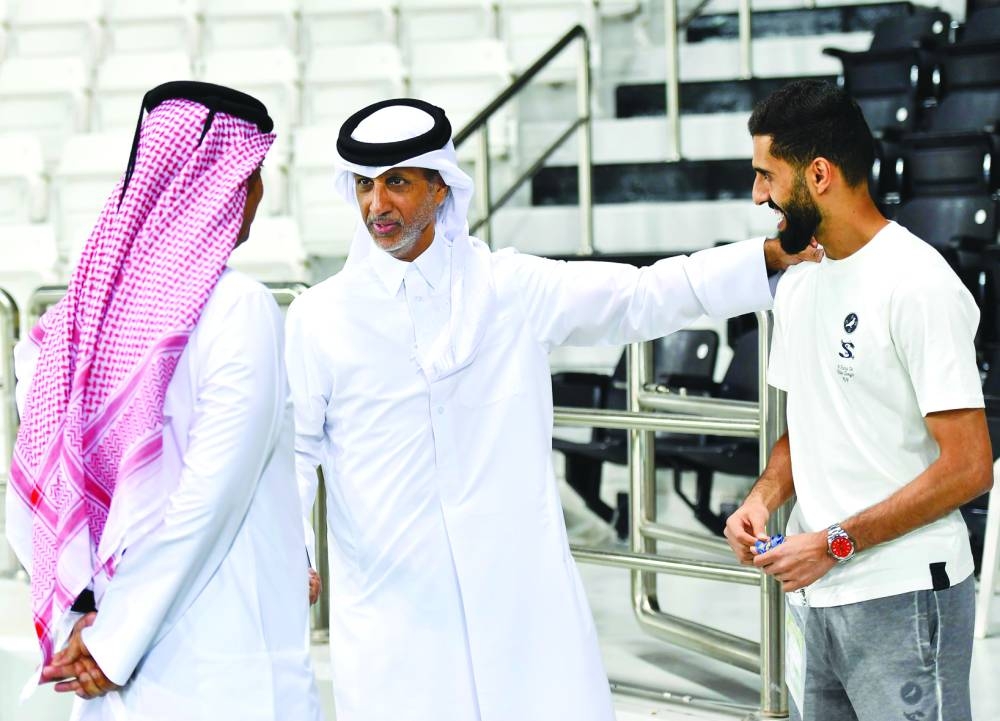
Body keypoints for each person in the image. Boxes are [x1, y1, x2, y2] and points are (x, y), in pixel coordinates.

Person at [285, 97, 817, 721]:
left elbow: (641, 295)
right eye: (364, 185)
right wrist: (296, 550)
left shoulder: (507, 287)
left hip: (517, 594)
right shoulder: (320, 317)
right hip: (394, 607)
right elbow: (294, 450)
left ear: (440, 186)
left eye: (397, 182)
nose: (377, 204)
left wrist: (765, 258)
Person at [6, 81, 323, 721]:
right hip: (223, 672)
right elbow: (208, 499)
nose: (259, 194)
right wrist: (111, 644)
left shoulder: (75, 319)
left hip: (112, 669)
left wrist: (84, 622)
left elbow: (37, 502)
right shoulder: (238, 308)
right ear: (227, 184)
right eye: (253, 175)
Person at [723, 79, 993, 721]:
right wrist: (763, 498)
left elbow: (969, 466)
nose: (758, 194)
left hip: (904, 595)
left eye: (767, 175)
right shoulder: (800, 284)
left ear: (819, 174)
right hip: (816, 596)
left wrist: (835, 543)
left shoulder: (918, 283)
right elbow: (808, 426)